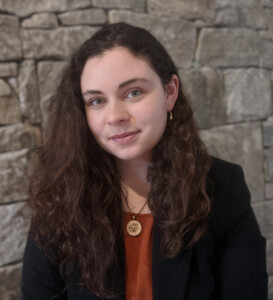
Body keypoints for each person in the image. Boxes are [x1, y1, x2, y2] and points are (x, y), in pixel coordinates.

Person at [21, 22, 268, 300]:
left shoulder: (224, 189)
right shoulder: (60, 197)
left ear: (169, 92)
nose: (115, 116)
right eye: (97, 101)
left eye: (133, 92)